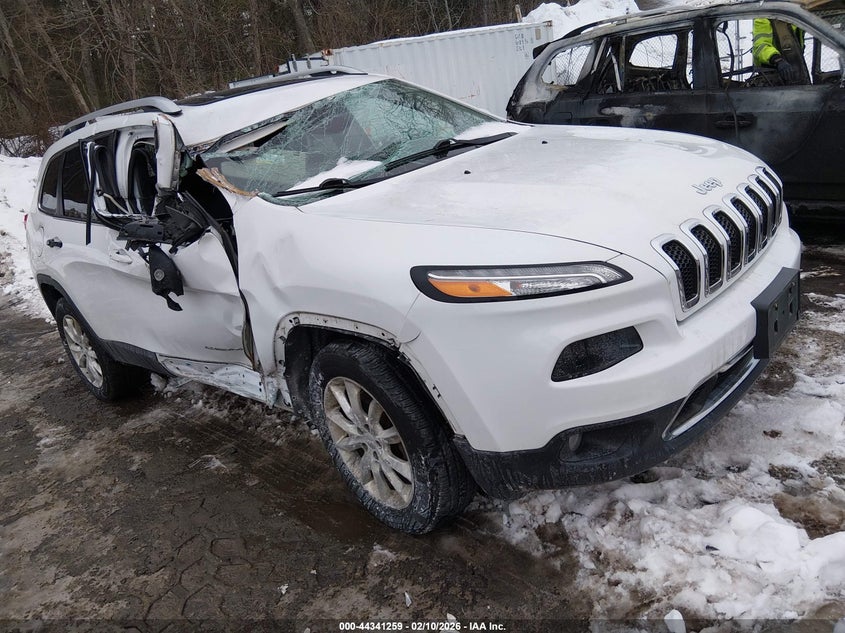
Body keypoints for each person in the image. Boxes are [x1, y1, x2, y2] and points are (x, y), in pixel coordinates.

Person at [752, 18, 805, 83]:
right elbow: (760, 47)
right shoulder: (763, 19)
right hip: (773, 75)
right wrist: (777, 60)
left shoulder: (795, 18)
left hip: (796, 72)